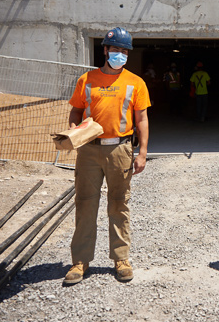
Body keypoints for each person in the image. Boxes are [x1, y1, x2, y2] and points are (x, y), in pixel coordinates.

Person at [64, 27, 150, 284]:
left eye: (124, 51)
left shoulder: (136, 82)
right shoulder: (86, 80)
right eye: (115, 50)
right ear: (105, 50)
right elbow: (75, 112)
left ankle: (121, 258)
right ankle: (80, 262)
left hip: (121, 150)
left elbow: (142, 118)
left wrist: (142, 152)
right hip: (89, 149)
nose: (119, 54)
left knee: (119, 204)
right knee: (85, 203)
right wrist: (72, 131)